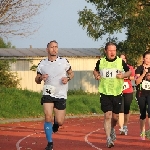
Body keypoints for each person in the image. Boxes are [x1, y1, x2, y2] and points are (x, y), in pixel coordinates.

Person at [35, 40, 74, 150]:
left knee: (60, 121)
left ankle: (56, 124)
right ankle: (50, 143)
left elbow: (71, 73)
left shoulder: (64, 61)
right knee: (48, 116)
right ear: (47, 49)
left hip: (61, 94)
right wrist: (40, 78)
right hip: (48, 93)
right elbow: (36, 79)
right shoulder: (42, 64)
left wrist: (68, 78)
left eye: (56, 47)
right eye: (52, 47)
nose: (54, 49)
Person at [93, 42, 131, 148]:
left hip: (117, 92)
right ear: (106, 51)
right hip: (105, 92)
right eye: (110, 50)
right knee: (108, 115)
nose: (112, 52)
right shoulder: (101, 62)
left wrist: (123, 75)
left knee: (115, 117)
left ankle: (112, 128)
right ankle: (108, 138)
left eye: (114, 50)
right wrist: (96, 75)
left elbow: (129, 72)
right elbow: (95, 71)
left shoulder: (120, 62)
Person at [135, 50, 150, 140]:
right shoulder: (139, 69)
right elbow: (137, 82)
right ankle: (142, 132)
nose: (148, 60)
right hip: (141, 93)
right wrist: (144, 73)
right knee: (143, 112)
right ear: (143, 59)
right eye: (147, 58)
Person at [118, 54, 135, 135]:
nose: (123, 60)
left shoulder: (129, 67)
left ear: (126, 60)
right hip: (118, 91)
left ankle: (125, 126)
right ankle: (121, 128)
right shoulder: (116, 68)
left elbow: (132, 77)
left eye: (124, 59)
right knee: (120, 110)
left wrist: (125, 77)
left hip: (128, 91)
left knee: (126, 109)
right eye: (121, 59)